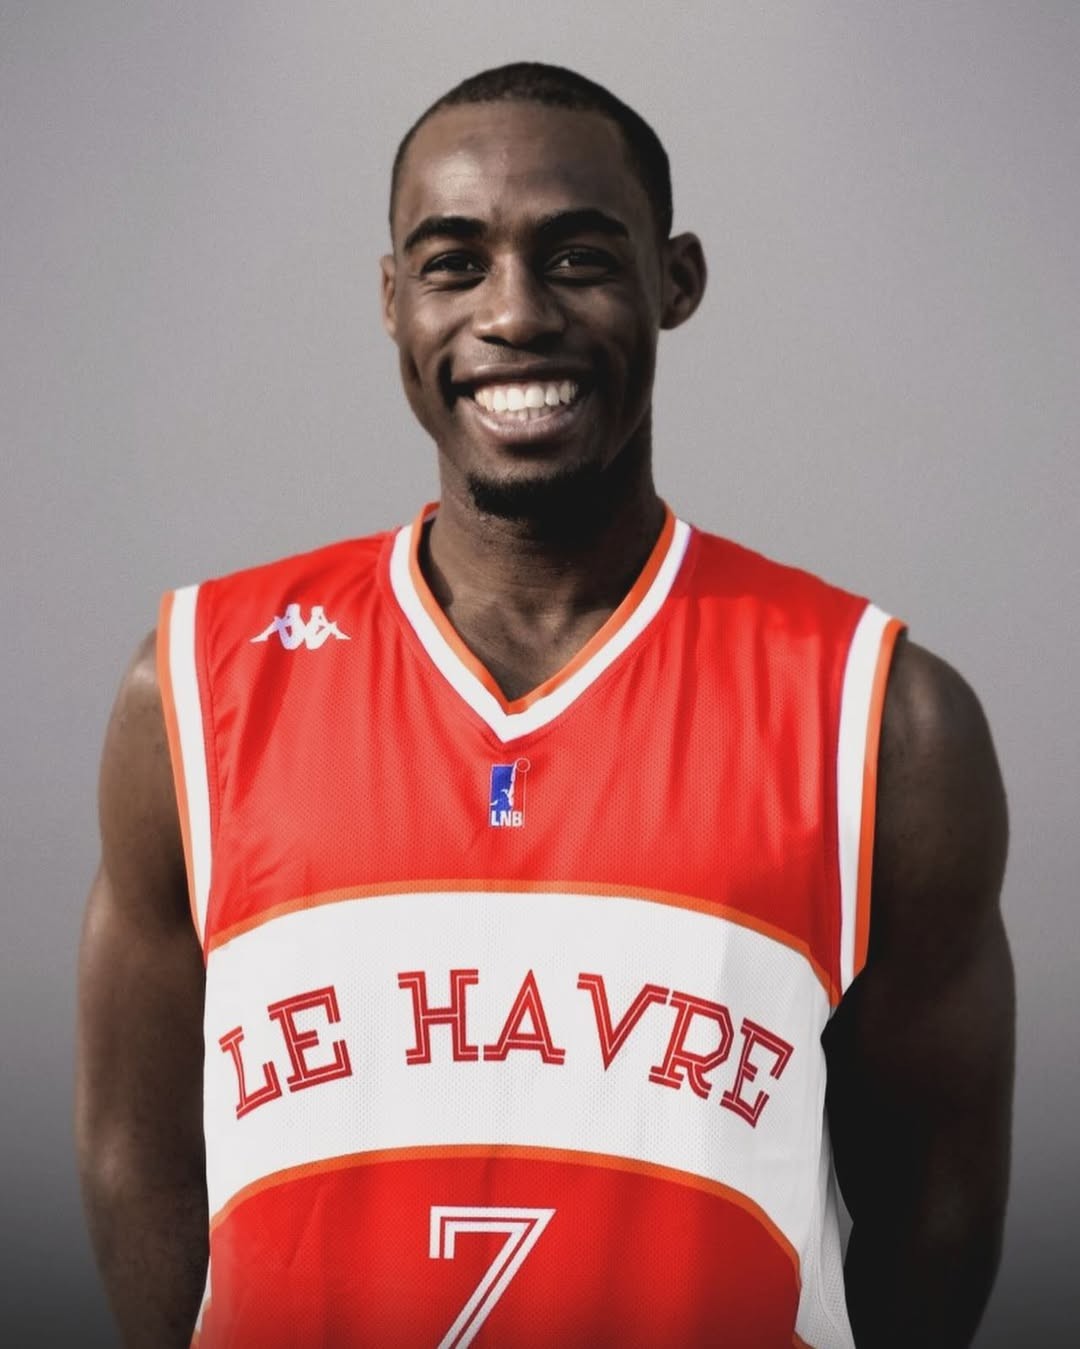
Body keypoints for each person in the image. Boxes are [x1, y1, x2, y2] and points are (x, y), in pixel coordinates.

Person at [76, 62, 1014, 1348]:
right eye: (455, 263)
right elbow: (135, 1150)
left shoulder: (884, 718)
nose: (514, 313)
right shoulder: (197, 685)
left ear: (675, 280)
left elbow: (936, 1205)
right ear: (394, 299)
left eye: (577, 258)